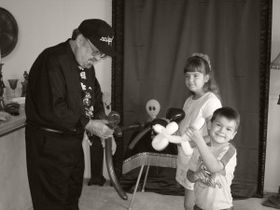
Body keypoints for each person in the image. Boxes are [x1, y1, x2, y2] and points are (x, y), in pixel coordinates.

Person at [25, 19, 115, 210]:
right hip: (48, 146)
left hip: (72, 143)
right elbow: (53, 108)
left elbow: (95, 99)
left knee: (72, 195)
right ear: (80, 39)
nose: (97, 59)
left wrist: (104, 127)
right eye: (96, 51)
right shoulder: (52, 60)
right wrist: (89, 125)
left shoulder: (86, 67)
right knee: (51, 201)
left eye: (103, 55)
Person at [176, 53, 222, 210]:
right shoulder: (189, 100)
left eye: (196, 75)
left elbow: (216, 138)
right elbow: (185, 127)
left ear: (207, 78)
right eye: (187, 76)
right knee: (189, 203)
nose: (190, 80)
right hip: (186, 159)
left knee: (194, 204)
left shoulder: (210, 102)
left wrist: (193, 143)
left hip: (199, 163)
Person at [186, 107, 240, 210]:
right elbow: (189, 175)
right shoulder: (199, 149)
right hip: (200, 205)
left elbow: (214, 168)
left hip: (222, 207)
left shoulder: (229, 150)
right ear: (210, 125)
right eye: (218, 125)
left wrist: (199, 141)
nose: (222, 131)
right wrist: (195, 175)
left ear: (233, 135)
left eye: (228, 129)